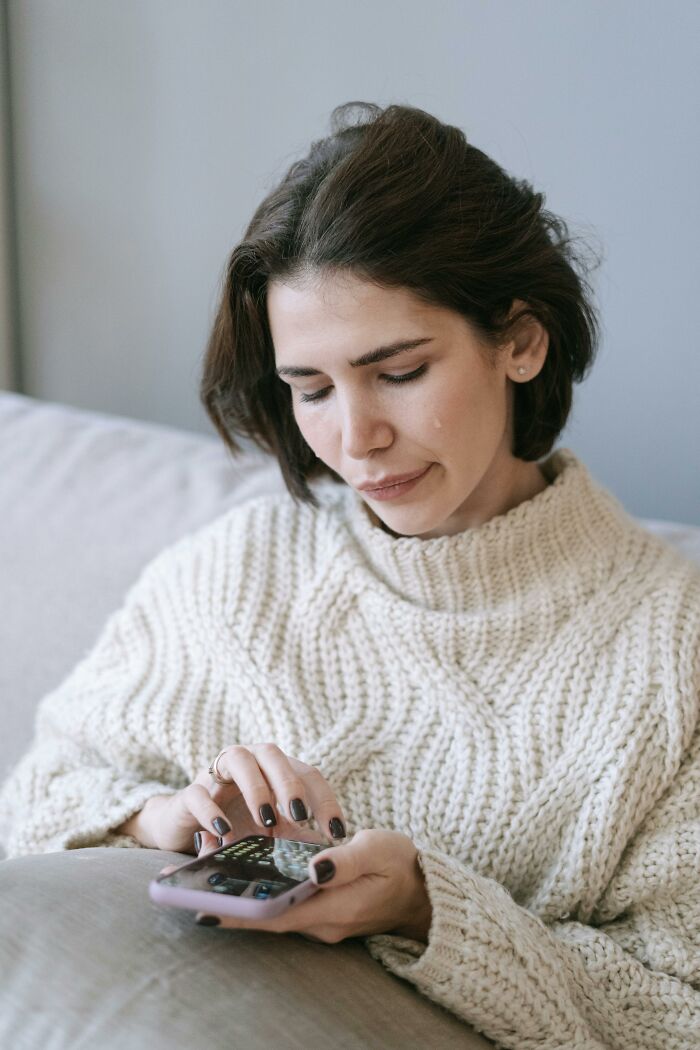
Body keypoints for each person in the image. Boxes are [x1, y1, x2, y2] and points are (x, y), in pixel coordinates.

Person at [1, 102, 698, 1050]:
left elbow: (674, 1011)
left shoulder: (674, 648)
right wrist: (159, 819)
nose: (355, 439)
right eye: (313, 390)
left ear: (522, 341)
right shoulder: (237, 569)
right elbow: (31, 801)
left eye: (400, 371)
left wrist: (421, 909)